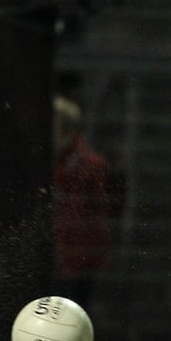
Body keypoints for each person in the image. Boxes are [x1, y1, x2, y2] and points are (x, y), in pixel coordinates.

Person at [52, 95, 111, 312]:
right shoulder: (53, 161)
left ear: (66, 129)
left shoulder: (89, 165)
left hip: (76, 263)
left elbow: (92, 216)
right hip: (59, 259)